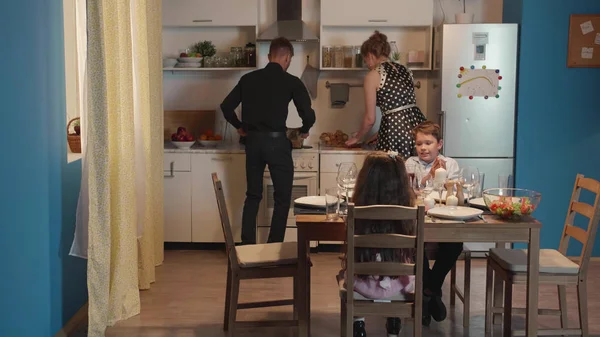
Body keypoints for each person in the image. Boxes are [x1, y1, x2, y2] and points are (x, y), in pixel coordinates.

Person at [220, 37, 316, 245]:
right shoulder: (292, 82)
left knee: (253, 195)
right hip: (277, 144)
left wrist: (240, 127)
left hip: (253, 143)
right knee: (282, 199)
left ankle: (247, 247)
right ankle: (274, 247)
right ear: (287, 58)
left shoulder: (248, 79)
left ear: (268, 56)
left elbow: (226, 107)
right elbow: (308, 115)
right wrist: (304, 130)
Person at [343, 152, 416, 337]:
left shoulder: (356, 210)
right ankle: (394, 321)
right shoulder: (409, 213)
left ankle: (358, 322)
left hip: (362, 285)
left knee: (348, 267)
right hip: (397, 285)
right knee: (401, 264)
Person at [404, 121, 463, 326]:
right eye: (419, 143)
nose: (423, 148)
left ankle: (428, 290)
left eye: (428, 143)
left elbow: (455, 195)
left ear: (440, 144)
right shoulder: (409, 163)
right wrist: (428, 178)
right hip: (418, 222)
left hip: (444, 219)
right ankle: (431, 294)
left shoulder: (450, 164)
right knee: (414, 245)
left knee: (455, 243)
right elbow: (407, 192)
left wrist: (444, 180)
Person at [345, 31, 426, 159]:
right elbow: (402, 111)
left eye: (366, 61)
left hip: (397, 133)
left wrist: (357, 138)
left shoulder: (373, 75)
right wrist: (377, 135)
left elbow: (370, 119)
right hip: (421, 127)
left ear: (370, 56)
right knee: (416, 172)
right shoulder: (405, 70)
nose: (367, 65)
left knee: (394, 173)